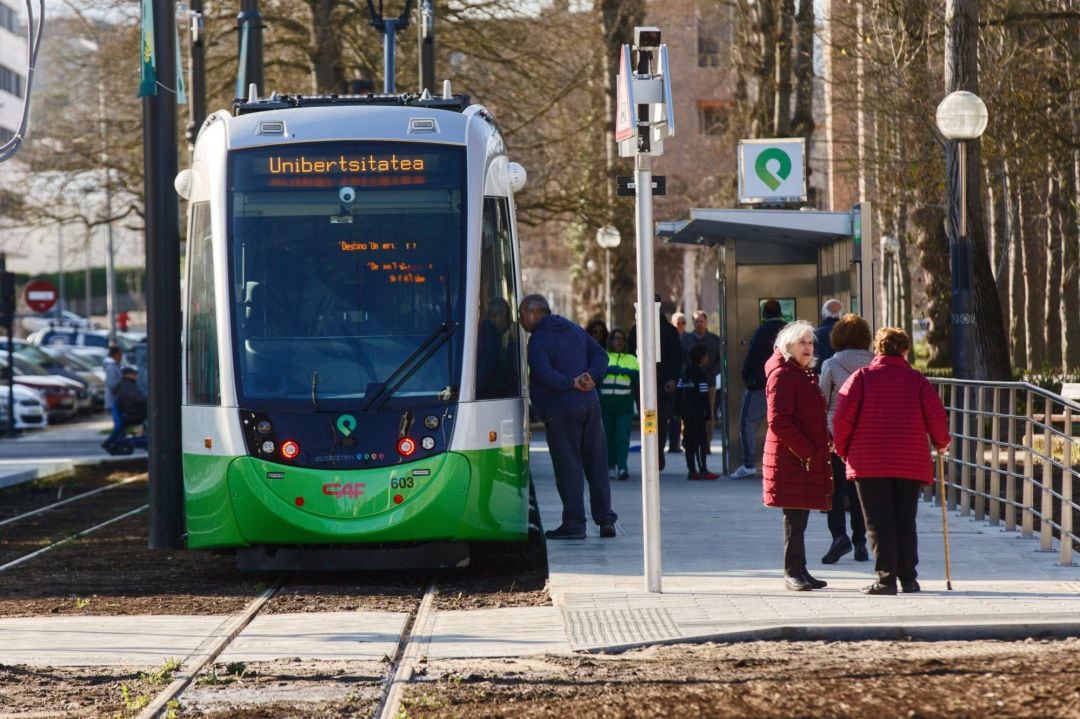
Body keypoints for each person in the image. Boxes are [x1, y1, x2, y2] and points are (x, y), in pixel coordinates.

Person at [833, 327, 950, 595]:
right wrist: (942, 443)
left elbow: (842, 419)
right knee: (905, 520)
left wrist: (842, 449)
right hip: (909, 462)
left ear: (877, 350)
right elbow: (936, 417)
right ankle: (909, 578)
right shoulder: (917, 380)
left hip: (868, 462)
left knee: (878, 522)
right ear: (905, 351)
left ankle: (885, 579)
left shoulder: (861, 378)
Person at [519, 294, 617, 539]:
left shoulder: (538, 339)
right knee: (597, 465)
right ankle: (605, 520)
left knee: (568, 469)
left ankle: (574, 524)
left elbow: (543, 373)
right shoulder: (574, 329)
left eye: (521, 315)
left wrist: (570, 383)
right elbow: (601, 356)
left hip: (560, 410)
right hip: (590, 405)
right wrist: (591, 376)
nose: (520, 321)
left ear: (534, 313)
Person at [762, 320, 833, 591]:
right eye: (802, 342)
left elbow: (811, 416)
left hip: (804, 456)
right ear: (788, 346)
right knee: (794, 517)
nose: (808, 347)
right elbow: (779, 421)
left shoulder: (802, 374)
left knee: (800, 517)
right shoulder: (783, 375)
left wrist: (824, 441)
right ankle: (792, 571)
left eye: (811, 342)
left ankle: (800, 569)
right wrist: (807, 450)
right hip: (792, 458)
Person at [818, 314, 874, 564]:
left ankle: (839, 536)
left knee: (834, 489)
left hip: (835, 435)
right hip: (864, 436)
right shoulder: (874, 364)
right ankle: (861, 541)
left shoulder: (830, 364)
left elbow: (821, 400)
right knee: (859, 491)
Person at [731, 299, 786, 479]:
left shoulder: (761, 332)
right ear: (781, 312)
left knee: (747, 422)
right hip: (786, 384)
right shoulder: (789, 331)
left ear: (763, 314)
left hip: (761, 384)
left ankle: (749, 464)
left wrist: (747, 376)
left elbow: (752, 357)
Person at [628, 294, 683, 471]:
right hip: (643, 385)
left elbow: (677, 358)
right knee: (648, 420)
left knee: (661, 421)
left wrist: (673, 379)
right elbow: (631, 357)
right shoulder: (636, 330)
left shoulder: (669, 331)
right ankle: (651, 456)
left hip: (664, 385)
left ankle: (657, 454)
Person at [599, 328, 638, 482]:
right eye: (616, 338)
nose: (619, 341)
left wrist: (624, 371)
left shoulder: (632, 359)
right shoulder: (603, 356)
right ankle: (610, 466)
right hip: (606, 404)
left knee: (622, 437)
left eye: (622, 338)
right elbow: (596, 373)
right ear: (611, 340)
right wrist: (610, 370)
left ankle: (622, 467)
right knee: (608, 437)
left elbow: (637, 376)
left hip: (624, 405)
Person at [681, 310, 723, 450]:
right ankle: (688, 442)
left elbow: (721, 360)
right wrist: (686, 373)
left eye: (701, 321)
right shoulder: (685, 340)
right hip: (689, 383)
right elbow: (680, 359)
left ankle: (706, 443)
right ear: (693, 323)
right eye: (696, 321)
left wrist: (711, 373)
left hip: (708, 383)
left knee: (708, 411)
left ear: (706, 322)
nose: (699, 324)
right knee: (687, 411)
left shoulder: (714, 340)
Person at [678, 344, 718, 480]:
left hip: (686, 413)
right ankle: (703, 469)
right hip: (698, 413)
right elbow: (704, 395)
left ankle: (692, 470)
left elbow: (679, 392)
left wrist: (678, 411)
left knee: (689, 442)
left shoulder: (685, 373)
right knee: (701, 441)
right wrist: (708, 412)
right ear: (703, 358)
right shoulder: (701, 374)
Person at [476, 297, 517, 399]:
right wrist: (514, 343)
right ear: (494, 316)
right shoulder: (490, 340)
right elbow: (485, 376)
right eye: (507, 316)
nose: (509, 321)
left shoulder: (492, 336)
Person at [667, 312, 687, 453]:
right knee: (672, 414)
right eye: (677, 323)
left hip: (686, 380)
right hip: (673, 380)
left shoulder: (689, 339)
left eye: (683, 323)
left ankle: (685, 442)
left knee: (684, 413)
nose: (680, 326)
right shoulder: (669, 338)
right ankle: (674, 443)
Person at [101, 345, 124, 451]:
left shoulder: (113, 366)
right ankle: (110, 442)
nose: (121, 357)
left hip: (116, 399)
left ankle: (119, 442)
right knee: (119, 424)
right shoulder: (111, 367)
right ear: (115, 355)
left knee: (120, 424)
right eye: (120, 355)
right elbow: (112, 384)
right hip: (114, 400)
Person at [813, 299, 844, 370]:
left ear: (823, 313)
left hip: (821, 374)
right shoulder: (848, 334)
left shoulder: (816, 334)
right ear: (841, 314)